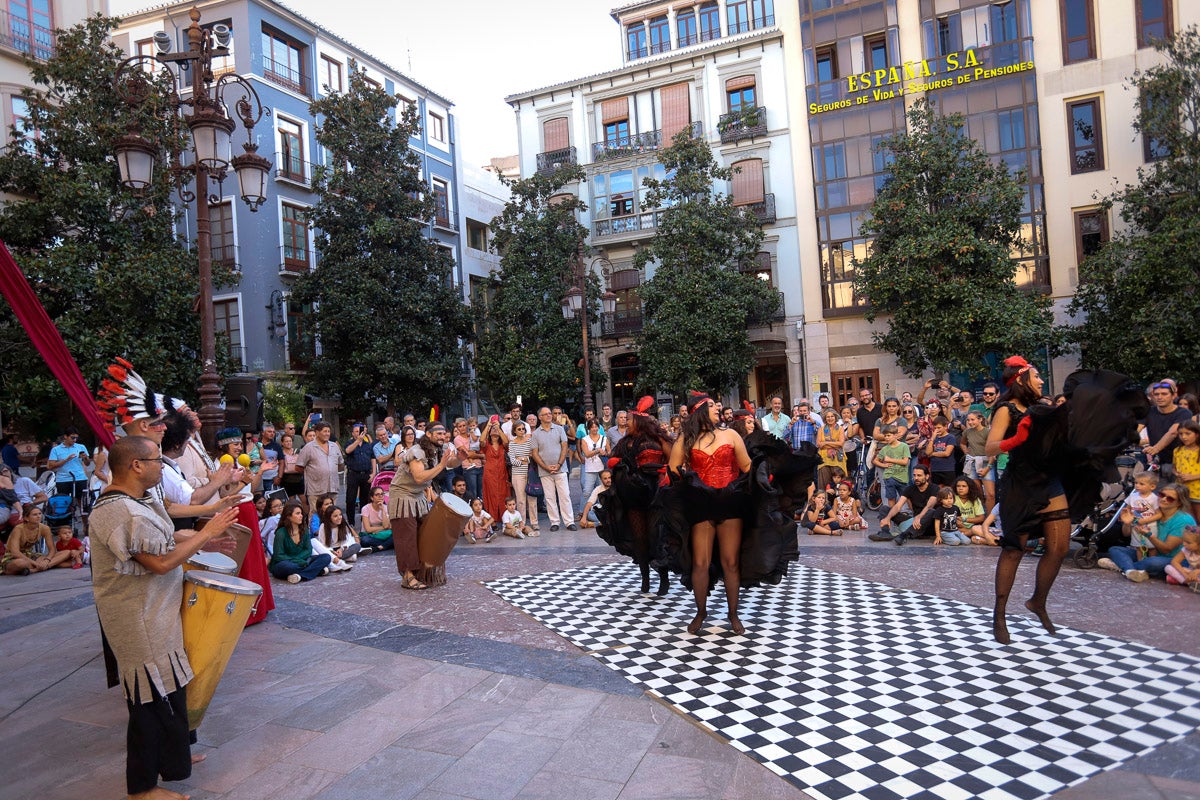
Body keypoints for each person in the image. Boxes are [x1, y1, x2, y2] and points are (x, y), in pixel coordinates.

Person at [89, 435, 240, 800]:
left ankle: (174, 760)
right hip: (136, 619)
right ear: (136, 465)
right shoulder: (116, 511)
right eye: (158, 460)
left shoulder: (139, 500)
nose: (165, 465)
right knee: (148, 700)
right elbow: (158, 563)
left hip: (156, 613)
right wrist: (206, 532)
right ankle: (140, 789)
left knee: (170, 690)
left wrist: (207, 540)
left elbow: (167, 538)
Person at [988, 358, 1146, 644]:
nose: (1040, 382)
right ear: (1021, 379)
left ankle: (1037, 601)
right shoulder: (1005, 409)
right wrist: (1017, 438)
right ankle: (999, 615)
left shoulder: (1042, 409)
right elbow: (989, 447)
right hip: (1020, 484)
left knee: (1060, 547)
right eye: (1036, 377)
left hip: (1049, 481)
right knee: (1014, 550)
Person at [666, 393, 754, 634]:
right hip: (701, 505)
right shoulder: (686, 438)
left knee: (731, 562)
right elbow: (673, 470)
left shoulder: (731, 434)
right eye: (713, 405)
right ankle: (700, 613)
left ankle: (733, 614)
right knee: (700, 562)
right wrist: (685, 484)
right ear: (701, 411)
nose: (718, 408)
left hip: (730, 502)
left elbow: (747, 467)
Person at [596, 397, 673, 594]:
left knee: (657, 536)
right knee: (639, 538)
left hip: (656, 494)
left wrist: (664, 472)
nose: (626, 423)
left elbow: (673, 461)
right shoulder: (624, 442)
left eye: (629, 420)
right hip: (633, 496)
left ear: (638, 421)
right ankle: (645, 578)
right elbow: (614, 461)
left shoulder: (658, 439)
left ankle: (663, 578)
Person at [388, 424, 458, 590]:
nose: (442, 436)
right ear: (428, 434)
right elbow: (419, 477)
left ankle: (423, 573)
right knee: (408, 537)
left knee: (425, 533)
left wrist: (460, 458)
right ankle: (408, 576)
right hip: (402, 495)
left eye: (444, 433)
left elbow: (450, 463)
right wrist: (440, 465)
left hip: (418, 496)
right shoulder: (416, 451)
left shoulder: (436, 449)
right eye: (439, 433)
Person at [1099, 482, 1194, 582]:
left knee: (1152, 562)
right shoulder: (1151, 512)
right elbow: (1125, 534)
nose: (1163, 499)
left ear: (1179, 503)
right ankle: (1130, 570)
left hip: (1174, 560)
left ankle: (1123, 566)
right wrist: (1127, 523)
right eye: (1161, 495)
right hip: (1146, 552)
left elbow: (1167, 549)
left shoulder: (1183, 520)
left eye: (1170, 499)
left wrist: (1149, 535)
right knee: (1115, 549)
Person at [530, 407, 574, 532]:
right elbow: (535, 453)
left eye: (550, 413)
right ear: (540, 417)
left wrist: (559, 464)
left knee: (565, 495)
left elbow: (565, 447)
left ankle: (569, 522)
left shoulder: (560, 429)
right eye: (546, 414)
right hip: (545, 471)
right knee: (549, 498)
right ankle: (554, 522)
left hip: (561, 468)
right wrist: (545, 467)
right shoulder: (536, 434)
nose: (549, 415)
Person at [874, 465, 939, 544]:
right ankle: (885, 533)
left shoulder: (934, 488)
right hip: (914, 521)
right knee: (885, 508)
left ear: (927, 476)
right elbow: (898, 506)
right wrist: (888, 518)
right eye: (914, 475)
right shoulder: (910, 489)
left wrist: (919, 516)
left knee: (931, 511)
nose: (916, 478)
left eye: (919, 475)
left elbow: (930, 505)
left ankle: (904, 535)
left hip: (927, 524)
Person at [270, 501, 333, 583]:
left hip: (303, 560)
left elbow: (308, 550)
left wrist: (301, 560)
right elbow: (278, 555)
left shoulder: (304, 530)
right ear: (289, 516)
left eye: (301, 513)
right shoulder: (281, 533)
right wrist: (297, 560)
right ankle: (314, 571)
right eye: (298, 513)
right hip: (286, 563)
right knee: (289, 567)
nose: (301, 516)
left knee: (326, 557)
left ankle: (300, 576)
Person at [2, 504, 73, 574]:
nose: (38, 516)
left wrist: (47, 560)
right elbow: (15, 552)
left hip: (31, 555)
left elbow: (52, 549)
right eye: (35, 515)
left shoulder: (45, 528)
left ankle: (36, 569)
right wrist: (35, 563)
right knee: (21, 563)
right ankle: (46, 565)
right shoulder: (18, 529)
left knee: (67, 552)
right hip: (15, 558)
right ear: (26, 518)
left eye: (39, 514)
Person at [296, 421, 344, 517]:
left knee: (332, 514)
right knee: (315, 514)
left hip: (332, 487)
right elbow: (298, 467)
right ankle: (315, 532)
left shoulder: (334, 446)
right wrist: (313, 473)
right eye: (324, 431)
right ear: (317, 433)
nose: (327, 434)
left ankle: (330, 532)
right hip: (315, 488)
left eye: (328, 431)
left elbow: (340, 463)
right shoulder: (308, 448)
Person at [1142, 379, 1191, 473]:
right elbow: (1136, 428)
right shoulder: (1148, 411)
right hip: (1157, 462)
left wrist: (1156, 448)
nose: (1159, 397)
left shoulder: (1184, 413)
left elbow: (1173, 432)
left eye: (1164, 394)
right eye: (1156, 394)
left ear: (1173, 396)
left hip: (1179, 462)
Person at [505, 419, 539, 533]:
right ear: (514, 431)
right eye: (519, 429)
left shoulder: (530, 441)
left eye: (523, 429)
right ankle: (522, 522)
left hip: (530, 472)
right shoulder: (512, 443)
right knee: (520, 500)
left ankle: (534, 522)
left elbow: (533, 455)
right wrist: (523, 460)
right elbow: (512, 460)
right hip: (517, 474)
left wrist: (524, 459)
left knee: (532, 498)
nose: (521, 431)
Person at [47, 427, 90, 504]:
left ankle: (84, 515)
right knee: (64, 502)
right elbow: (51, 466)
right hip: (63, 479)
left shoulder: (81, 447)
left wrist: (86, 458)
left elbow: (88, 463)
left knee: (82, 502)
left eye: (76, 438)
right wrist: (66, 460)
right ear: (65, 436)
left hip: (79, 477)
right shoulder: (56, 449)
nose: (74, 440)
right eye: (72, 437)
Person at [343, 422, 376, 524]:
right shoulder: (350, 443)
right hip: (353, 473)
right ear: (353, 433)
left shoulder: (368, 445)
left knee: (365, 499)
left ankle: (364, 522)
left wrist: (373, 472)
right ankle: (351, 522)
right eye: (356, 431)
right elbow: (347, 451)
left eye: (360, 431)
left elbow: (373, 458)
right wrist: (357, 441)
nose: (359, 433)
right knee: (351, 499)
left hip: (366, 473)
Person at [480, 417, 510, 524]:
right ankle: (491, 520)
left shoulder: (502, 446)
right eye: (493, 429)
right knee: (491, 495)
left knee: (502, 494)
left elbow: (507, 442)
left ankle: (504, 517)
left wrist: (499, 428)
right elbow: (481, 440)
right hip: (489, 473)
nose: (494, 430)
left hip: (502, 472)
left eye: (496, 428)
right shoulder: (487, 446)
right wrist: (488, 425)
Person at [1170, 420, 1200, 519]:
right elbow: (1174, 468)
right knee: (1188, 519)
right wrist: (1177, 473)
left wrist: (1193, 476)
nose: (1184, 437)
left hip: (1197, 491)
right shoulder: (1178, 450)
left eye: (1188, 433)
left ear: (1197, 434)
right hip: (1182, 491)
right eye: (1181, 434)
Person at [579, 418, 610, 501]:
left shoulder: (604, 438)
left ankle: (603, 510)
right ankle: (582, 511)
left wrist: (605, 453)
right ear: (589, 428)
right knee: (587, 491)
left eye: (596, 426)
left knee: (603, 491)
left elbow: (609, 452)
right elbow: (587, 454)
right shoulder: (585, 439)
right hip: (590, 469)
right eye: (592, 427)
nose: (594, 429)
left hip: (602, 469)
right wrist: (597, 451)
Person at [951, 476, 988, 542]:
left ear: (969, 488)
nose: (960, 488)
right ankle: (967, 535)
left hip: (972, 527)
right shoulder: (952, 498)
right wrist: (956, 521)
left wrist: (964, 519)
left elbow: (981, 518)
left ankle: (964, 535)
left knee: (975, 529)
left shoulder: (975, 499)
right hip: (957, 526)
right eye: (958, 486)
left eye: (964, 486)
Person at [815, 408, 845, 488]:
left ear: (835, 417)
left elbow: (841, 443)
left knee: (838, 483)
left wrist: (825, 443)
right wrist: (835, 443)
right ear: (825, 418)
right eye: (828, 417)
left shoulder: (840, 429)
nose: (830, 418)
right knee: (823, 483)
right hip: (824, 458)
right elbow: (818, 444)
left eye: (832, 416)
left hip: (837, 458)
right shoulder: (821, 429)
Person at [926, 417, 958, 487]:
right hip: (935, 468)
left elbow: (947, 453)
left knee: (948, 490)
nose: (937, 430)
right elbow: (928, 453)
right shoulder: (934, 438)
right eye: (935, 428)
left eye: (939, 427)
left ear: (945, 426)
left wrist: (933, 454)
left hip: (947, 468)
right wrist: (932, 439)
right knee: (937, 491)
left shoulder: (950, 437)